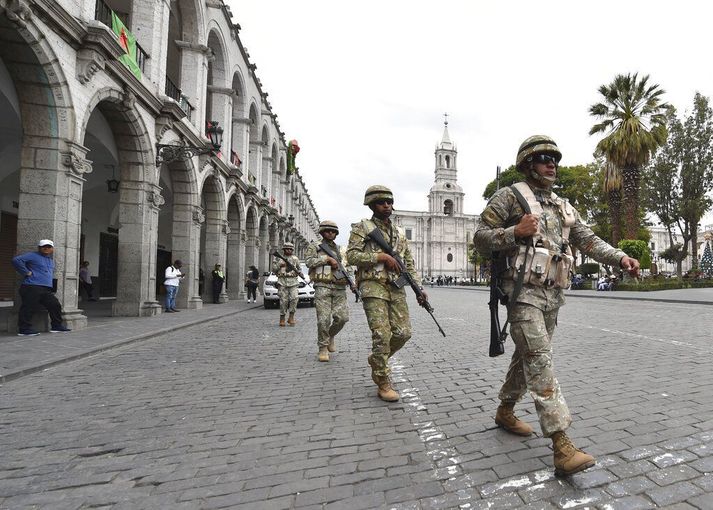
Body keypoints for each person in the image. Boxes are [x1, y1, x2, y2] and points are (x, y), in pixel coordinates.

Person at [474, 135, 640, 477]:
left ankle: (505, 410)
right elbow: (479, 236)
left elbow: (589, 240)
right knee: (539, 359)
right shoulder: (510, 197)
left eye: (555, 158)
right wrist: (514, 232)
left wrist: (621, 256)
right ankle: (562, 445)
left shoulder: (563, 207)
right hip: (522, 294)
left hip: (553, 296)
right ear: (527, 165)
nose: (552, 163)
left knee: (527, 358)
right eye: (543, 158)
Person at [347, 185, 426, 402]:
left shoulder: (400, 233)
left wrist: (419, 288)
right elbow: (352, 256)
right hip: (373, 285)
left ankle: (377, 359)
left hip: (396, 286)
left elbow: (408, 262)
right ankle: (383, 380)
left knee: (403, 333)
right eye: (382, 202)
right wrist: (380, 257)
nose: (387, 206)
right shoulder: (362, 228)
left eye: (390, 202)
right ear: (372, 205)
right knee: (381, 334)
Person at [305, 220, 351, 362]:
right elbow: (308, 261)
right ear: (322, 232)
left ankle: (330, 335)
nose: (331, 233)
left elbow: (348, 266)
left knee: (342, 318)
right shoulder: (315, 246)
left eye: (333, 231)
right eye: (328, 231)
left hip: (339, 287)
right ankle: (323, 347)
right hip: (322, 285)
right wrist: (326, 259)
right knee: (323, 319)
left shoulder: (340, 250)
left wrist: (348, 275)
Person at [11, 239, 71, 336]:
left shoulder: (50, 260)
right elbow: (16, 260)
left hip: (45, 289)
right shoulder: (33, 255)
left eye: (49, 247)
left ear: (52, 249)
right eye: (44, 246)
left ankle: (56, 326)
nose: (46, 248)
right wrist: (26, 272)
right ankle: (24, 329)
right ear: (39, 248)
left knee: (55, 304)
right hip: (31, 286)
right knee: (28, 306)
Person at [272, 242, 302, 326]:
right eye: (286, 249)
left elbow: (299, 269)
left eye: (290, 249)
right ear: (284, 250)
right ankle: (282, 318)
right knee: (283, 301)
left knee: (294, 299)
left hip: (293, 282)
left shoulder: (295, 259)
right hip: (282, 282)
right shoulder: (278, 258)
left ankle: (291, 317)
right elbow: (273, 270)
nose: (288, 250)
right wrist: (279, 265)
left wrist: (299, 272)